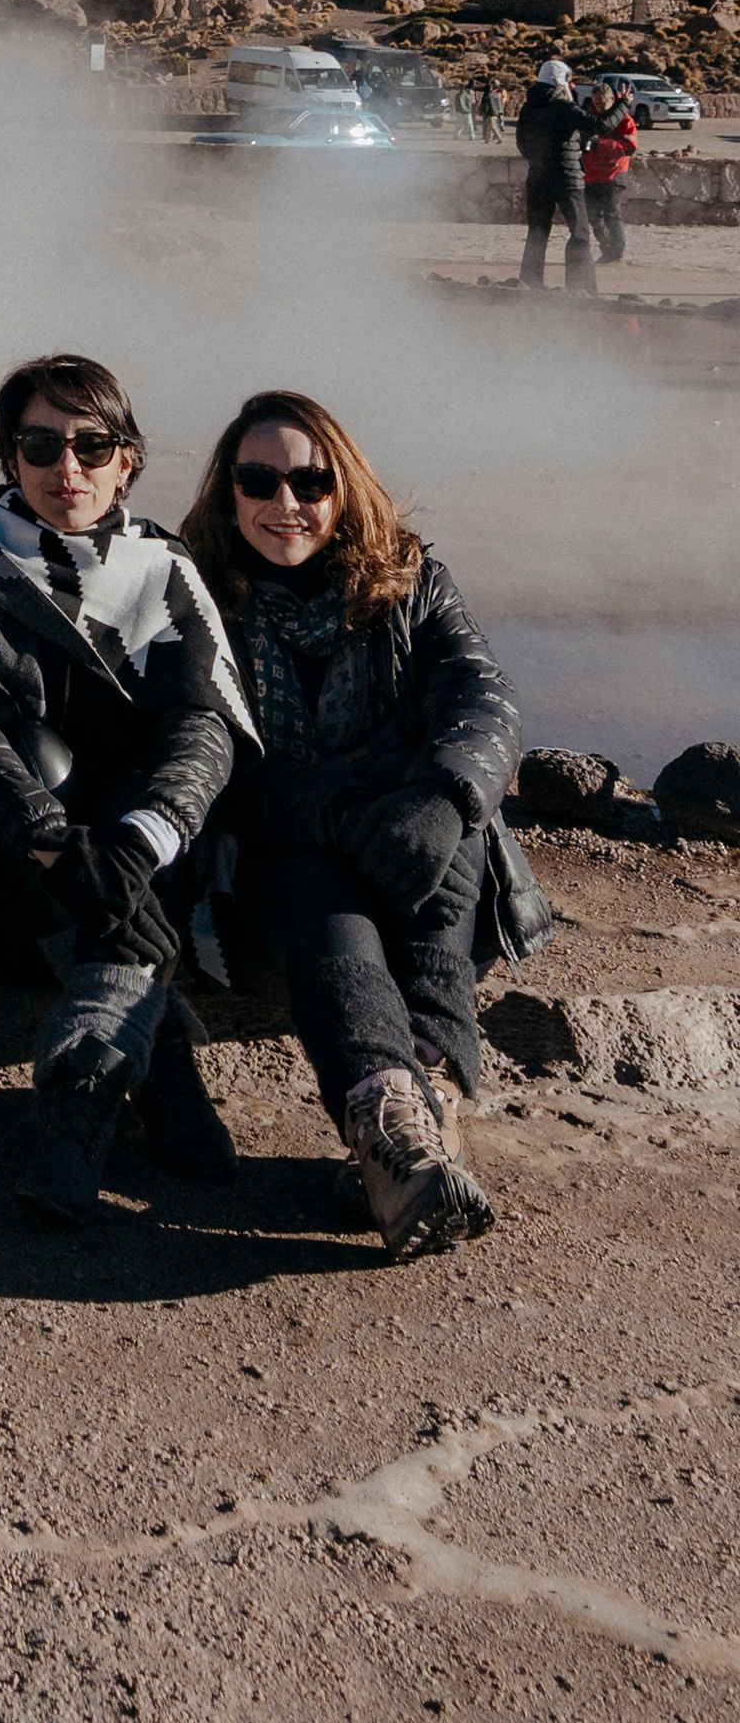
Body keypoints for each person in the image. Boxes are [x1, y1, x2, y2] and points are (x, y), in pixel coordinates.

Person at [0, 354, 254, 1231]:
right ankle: (164, 1058)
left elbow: (203, 724)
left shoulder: (163, 567)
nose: (68, 467)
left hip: (136, 873)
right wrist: (52, 839)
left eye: (92, 446)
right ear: (8, 454)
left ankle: (83, 1092)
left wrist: (138, 840)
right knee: (36, 754)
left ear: (126, 459)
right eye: (41, 444)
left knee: (144, 786)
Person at [180, 392, 519, 1259]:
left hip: (414, 879)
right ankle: (400, 1122)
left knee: (450, 812)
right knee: (314, 874)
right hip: (272, 897)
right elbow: (215, 765)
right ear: (228, 491)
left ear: (345, 488)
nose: (284, 502)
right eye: (258, 479)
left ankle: (410, 1131)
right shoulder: (197, 598)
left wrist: (442, 799)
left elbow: (482, 700)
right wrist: (336, 808)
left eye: (310, 481)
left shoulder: (411, 580)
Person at [515, 57, 597, 293]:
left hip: (537, 177)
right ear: (560, 81)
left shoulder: (528, 108)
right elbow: (598, 126)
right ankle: (580, 288)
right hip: (567, 177)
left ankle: (530, 284)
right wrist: (622, 105)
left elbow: (521, 143)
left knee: (537, 232)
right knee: (580, 233)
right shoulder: (564, 107)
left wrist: (537, 160)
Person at [580, 80, 638, 272]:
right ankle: (606, 249)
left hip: (614, 174)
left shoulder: (624, 120)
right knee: (593, 216)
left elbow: (630, 147)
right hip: (591, 175)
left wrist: (601, 144)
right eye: (596, 103)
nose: (599, 107)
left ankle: (616, 252)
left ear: (612, 100)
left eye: (602, 103)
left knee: (612, 214)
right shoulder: (589, 118)